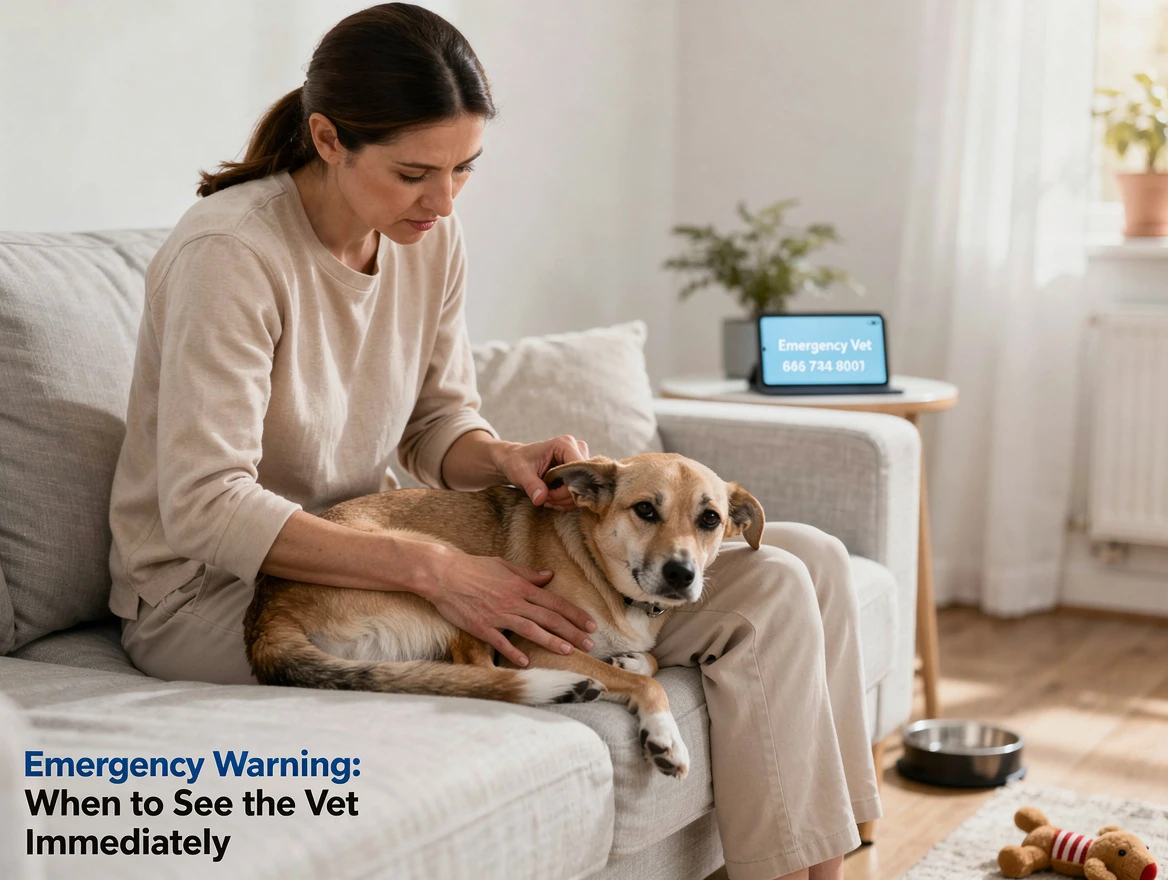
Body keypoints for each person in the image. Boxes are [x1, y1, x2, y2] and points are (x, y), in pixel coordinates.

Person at [106, 5, 881, 878]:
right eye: (413, 173)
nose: (443, 202)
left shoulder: (427, 238)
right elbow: (206, 506)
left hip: (375, 541)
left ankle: (835, 860)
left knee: (810, 562)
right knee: (771, 587)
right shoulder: (231, 254)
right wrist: (436, 569)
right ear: (328, 139)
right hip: (216, 592)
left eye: (463, 169)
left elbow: (436, 422)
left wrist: (503, 457)